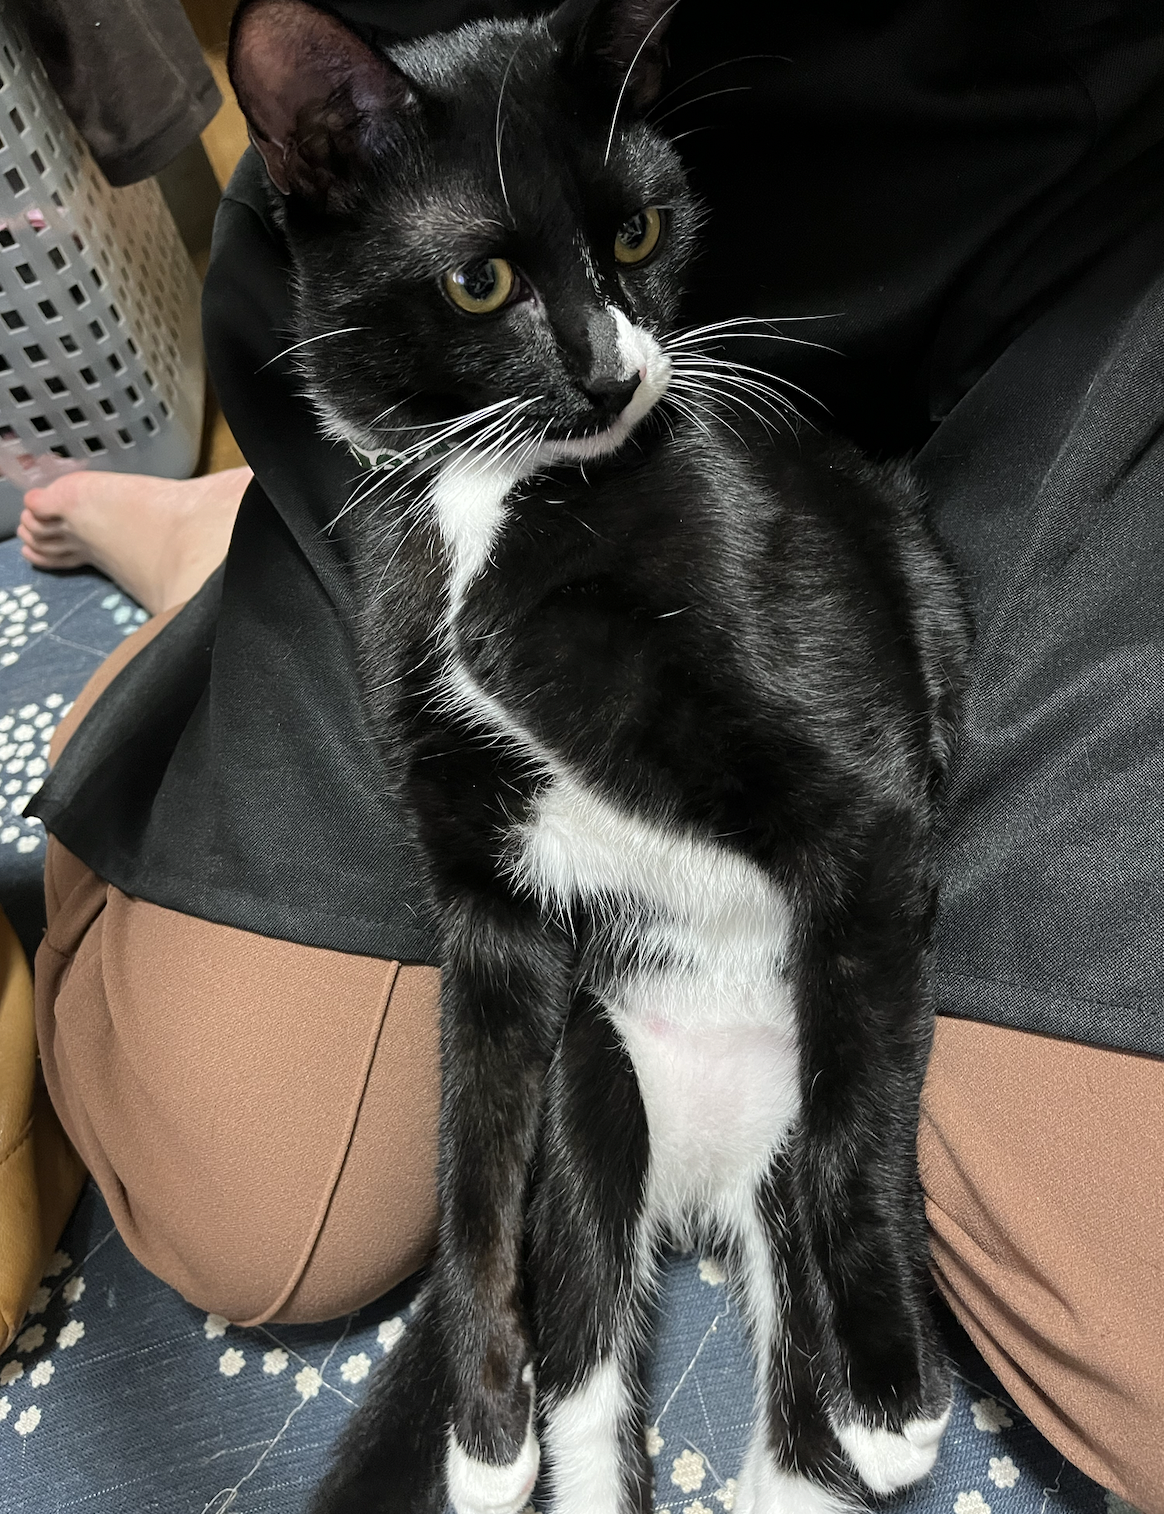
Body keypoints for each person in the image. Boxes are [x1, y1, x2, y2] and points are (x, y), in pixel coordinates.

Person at [18, 3, 1164, 1510]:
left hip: (1043, 269)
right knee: (243, 1203)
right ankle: (210, 558)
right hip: (431, 417)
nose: (609, 350)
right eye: (492, 279)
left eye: (633, 244)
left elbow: (858, 827)